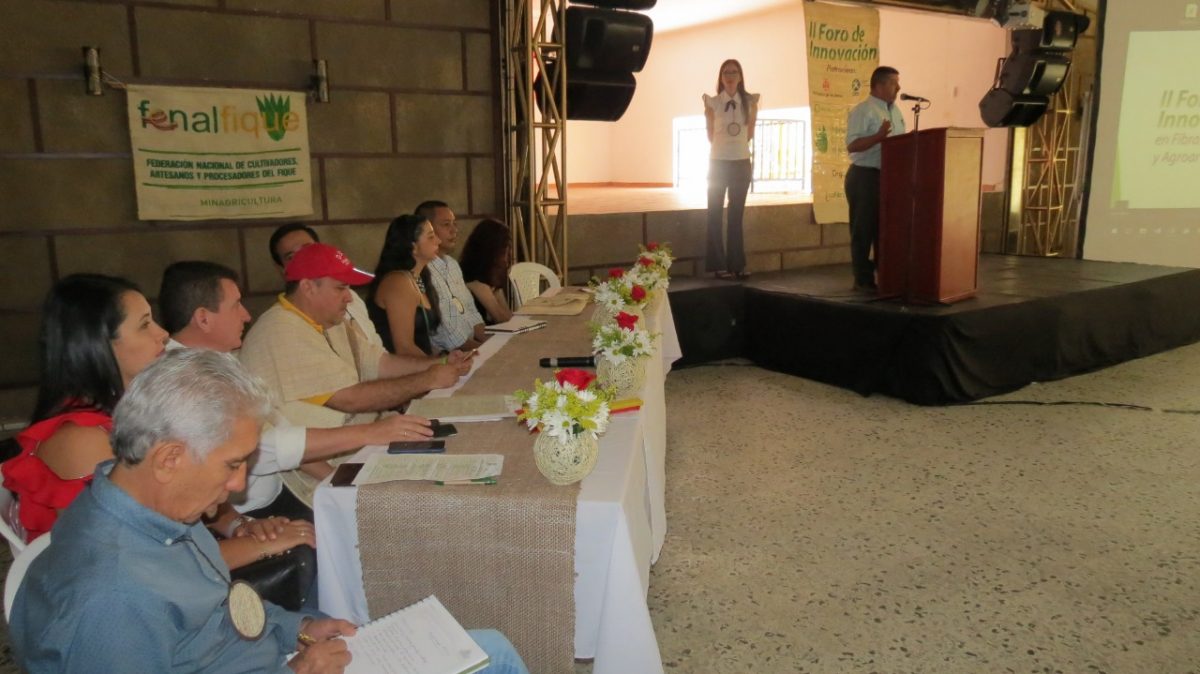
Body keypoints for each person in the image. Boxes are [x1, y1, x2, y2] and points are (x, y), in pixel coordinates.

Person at [9, 349, 531, 674]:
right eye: (233, 464)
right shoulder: (113, 595)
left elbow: (222, 613)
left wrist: (299, 628)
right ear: (168, 458)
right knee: (493, 656)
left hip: (273, 653)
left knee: (481, 647)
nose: (239, 485)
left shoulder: (145, 508)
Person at [0, 274, 312, 585]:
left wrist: (239, 526)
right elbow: (134, 566)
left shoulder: (133, 407)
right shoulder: (80, 440)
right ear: (98, 344)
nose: (162, 334)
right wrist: (259, 545)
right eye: (144, 325)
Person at [159, 261, 434, 519]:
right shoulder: (181, 379)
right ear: (203, 319)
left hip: (280, 491)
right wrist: (370, 433)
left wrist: (336, 479)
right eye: (236, 305)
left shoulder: (221, 359)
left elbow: (281, 426)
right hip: (249, 511)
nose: (246, 315)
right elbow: (265, 445)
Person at [238, 243, 471, 502]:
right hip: (322, 470)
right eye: (341, 288)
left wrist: (438, 364)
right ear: (308, 287)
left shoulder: (327, 319)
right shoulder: (281, 331)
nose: (349, 297)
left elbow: (379, 363)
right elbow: (351, 399)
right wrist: (427, 380)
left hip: (360, 445)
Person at [268, 222, 384, 348]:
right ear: (281, 269)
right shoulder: (286, 326)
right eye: (291, 257)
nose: (304, 259)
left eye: (309, 249)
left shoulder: (352, 298)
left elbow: (377, 348)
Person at [845, 65, 906, 292]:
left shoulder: (895, 111)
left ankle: (887, 276)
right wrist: (878, 136)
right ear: (879, 85)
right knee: (863, 230)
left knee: (885, 230)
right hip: (865, 177)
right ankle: (862, 279)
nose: (898, 88)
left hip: (889, 177)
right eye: (893, 83)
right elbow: (852, 146)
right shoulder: (864, 111)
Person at [703, 59, 759, 280]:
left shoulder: (750, 102)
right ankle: (718, 264)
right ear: (721, 77)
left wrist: (736, 147)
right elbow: (709, 134)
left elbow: (750, 132)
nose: (730, 76)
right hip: (718, 162)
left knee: (736, 215)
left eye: (734, 72)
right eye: (726, 72)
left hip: (741, 162)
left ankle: (737, 264)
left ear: (740, 76)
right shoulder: (713, 103)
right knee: (715, 212)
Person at [414, 200, 489, 352]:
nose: (454, 230)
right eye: (446, 224)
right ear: (426, 230)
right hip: (447, 354)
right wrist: (486, 350)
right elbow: (446, 334)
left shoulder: (452, 264)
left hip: (470, 347)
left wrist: (495, 344)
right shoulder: (421, 270)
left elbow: (471, 313)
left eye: (454, 223)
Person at [366, 214, 443, 356]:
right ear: (413, 247)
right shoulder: (397, 282)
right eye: (431, 237)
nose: (438, 241)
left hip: (419, 363)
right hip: (402, 366)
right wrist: (441, 363)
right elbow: (404, 348)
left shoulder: (419, 277)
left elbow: (422, 341)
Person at [459, 218, 515, 325]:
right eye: (503, 250)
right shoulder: (473, 280)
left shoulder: (489, 276)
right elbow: (500, 318)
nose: (506, 257)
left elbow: (507, 315)